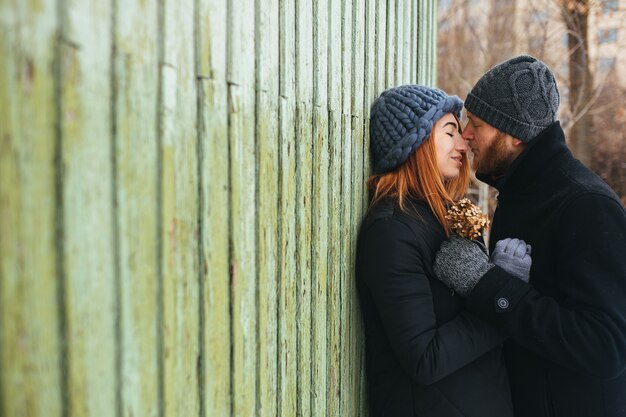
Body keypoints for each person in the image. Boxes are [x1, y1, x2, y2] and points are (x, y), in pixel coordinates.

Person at [434, 55, 626, 417]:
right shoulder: (520, 194)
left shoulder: (585, 205)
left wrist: (487, 284)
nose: (466, 135)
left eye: (477, 124)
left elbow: (607, 347)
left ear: (515, 135)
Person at [355, 85, 526, 417]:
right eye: (450, 132)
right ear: (416, 144)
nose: (463, 143)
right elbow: (425, 357)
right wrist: (504, 301)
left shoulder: (445, 217)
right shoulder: (391, 231)